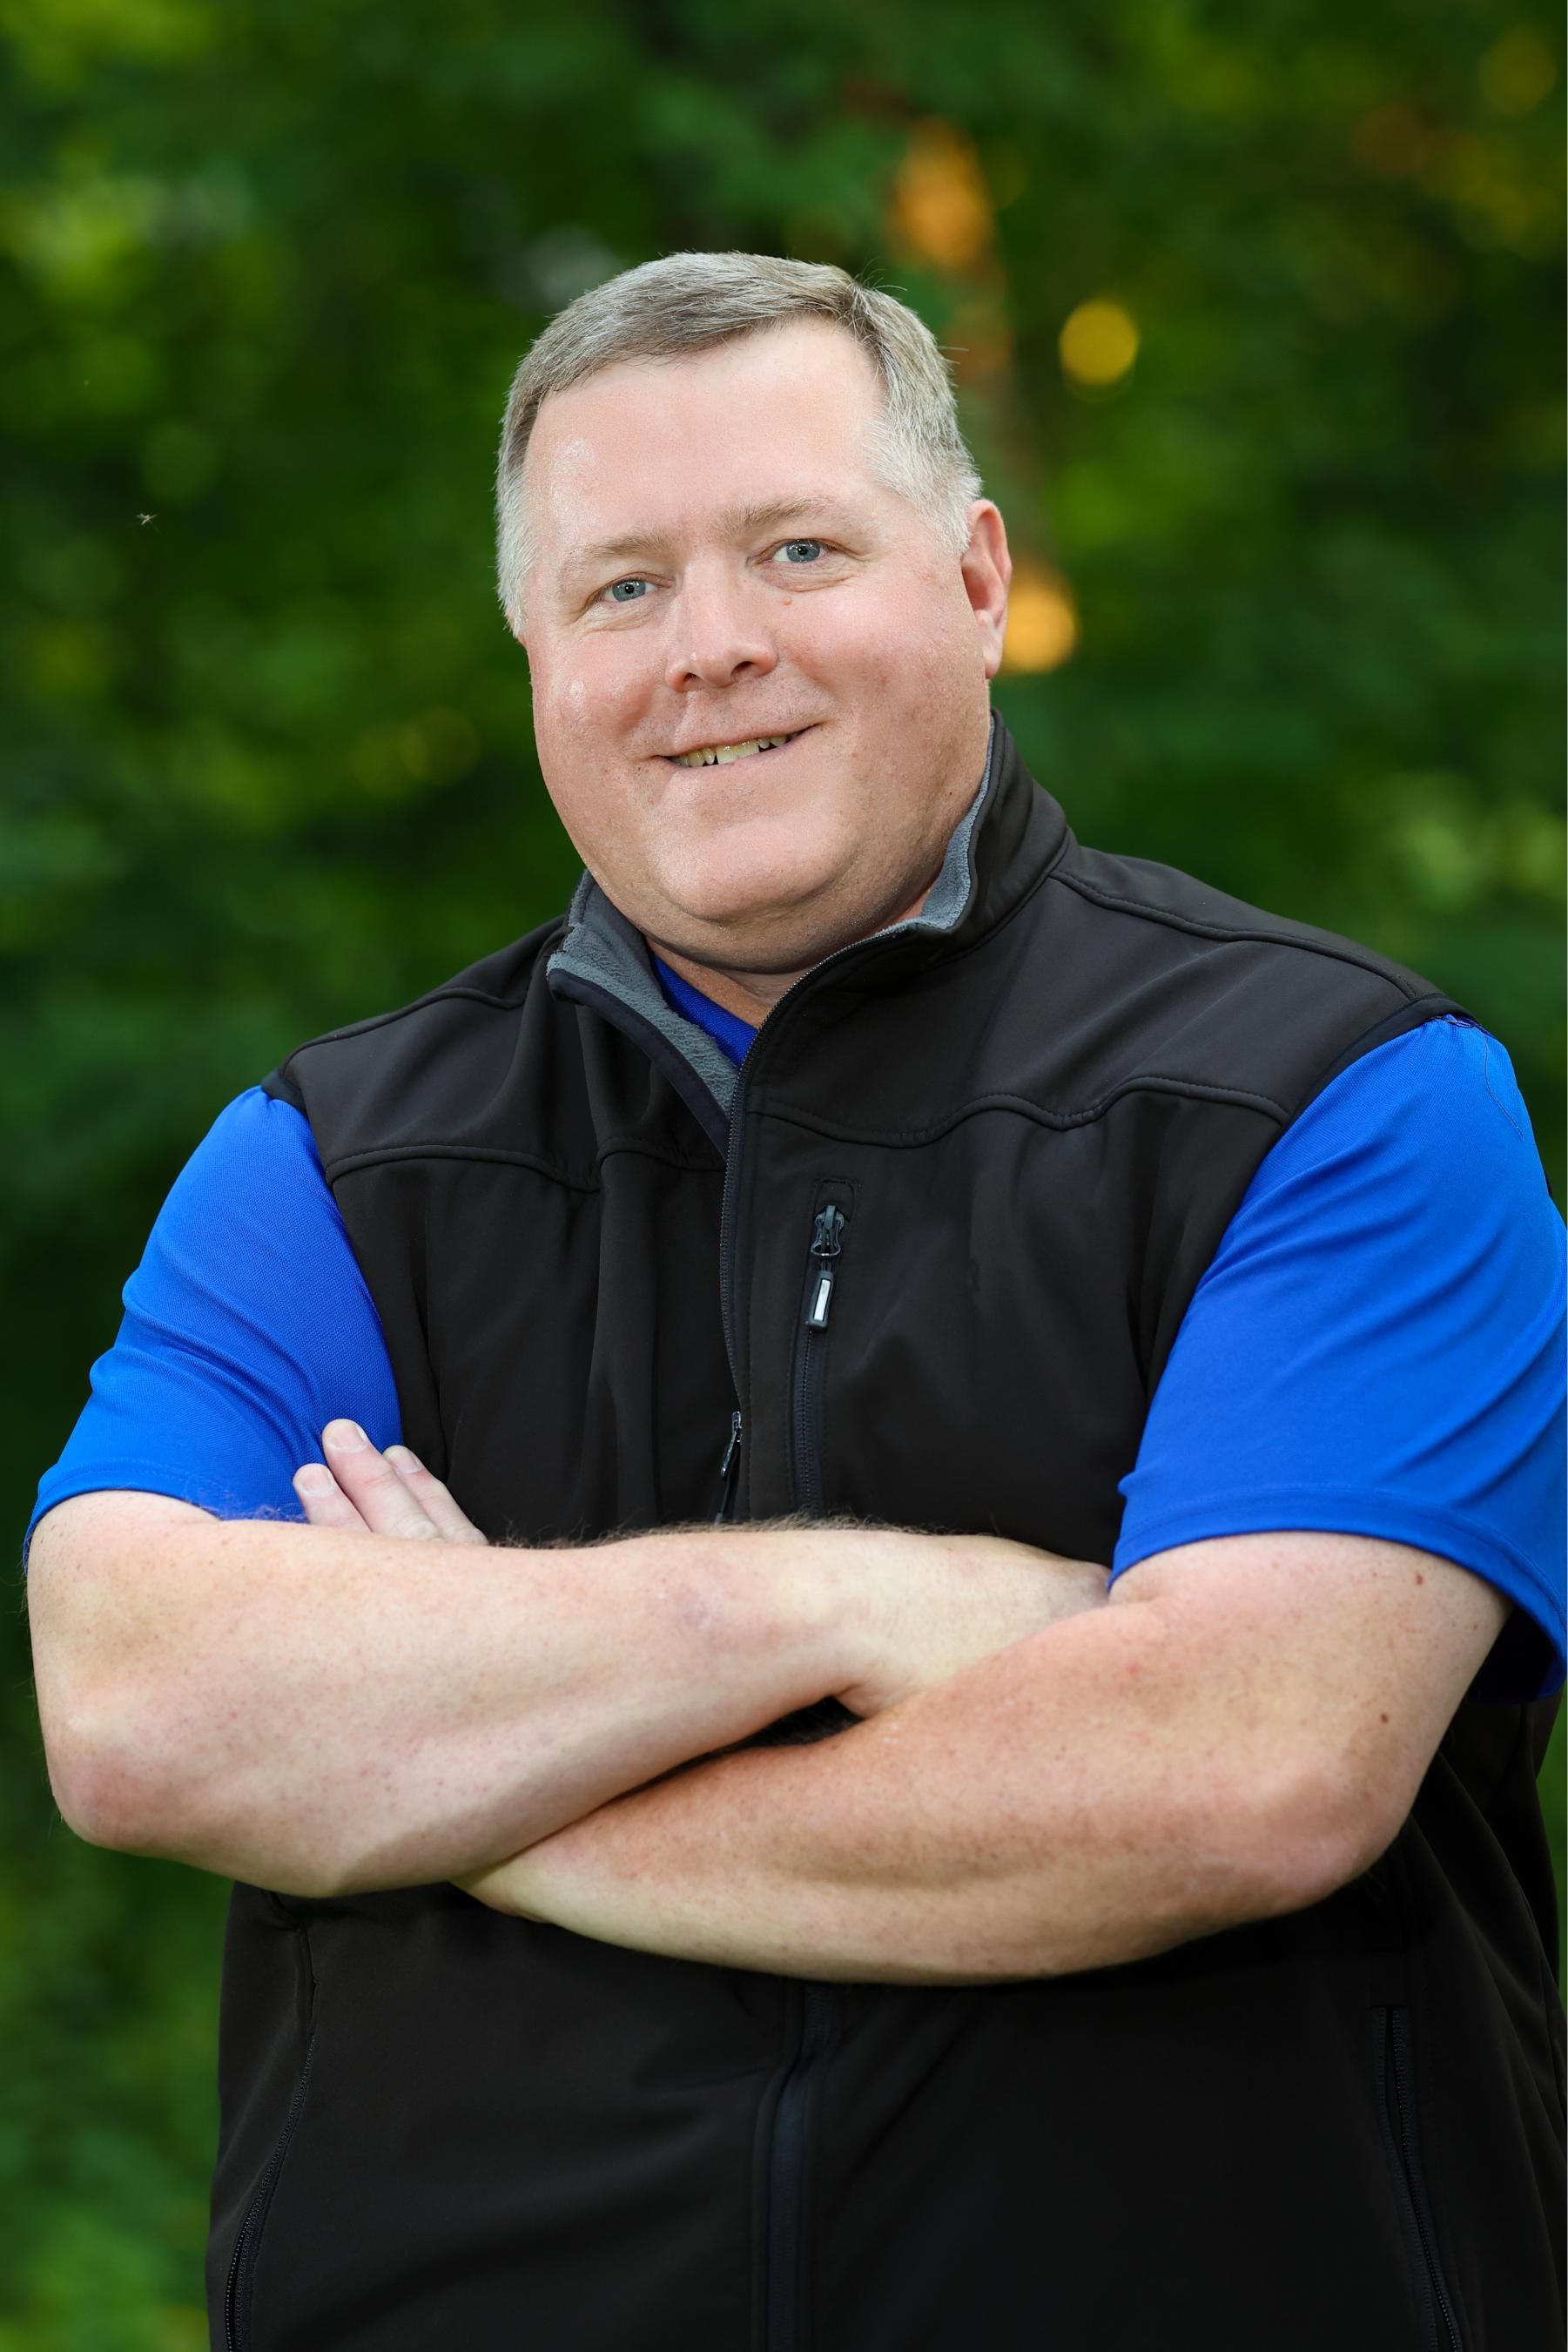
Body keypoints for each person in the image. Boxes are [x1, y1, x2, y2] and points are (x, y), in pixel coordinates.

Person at [25, 254, 1565, 2352]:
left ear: (977, 577)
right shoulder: (333, 1164)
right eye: (621, 587)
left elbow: (1240, 1771)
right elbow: (136, 1708)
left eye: (797, 549)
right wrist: (828, 1608)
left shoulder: (1336, 1103)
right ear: (535, 655)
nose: (712, 648)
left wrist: (481, 1812)